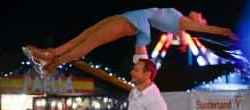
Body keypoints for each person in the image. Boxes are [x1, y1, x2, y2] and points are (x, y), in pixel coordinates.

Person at [22, 8, 238, 76]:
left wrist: (226, 32)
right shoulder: (179, 16)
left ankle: (52, 63)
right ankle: (50, 55)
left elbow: (205, 28)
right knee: (85, 35)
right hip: (129, 17)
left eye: (200, 17)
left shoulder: (184, 23)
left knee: (89, 43)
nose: (199, 15)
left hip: (132, 23)